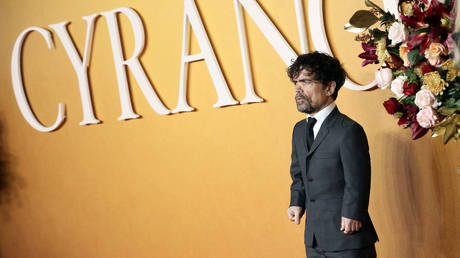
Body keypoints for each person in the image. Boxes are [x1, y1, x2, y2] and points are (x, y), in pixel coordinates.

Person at [286, 52, 378, 258]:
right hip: (314, 239)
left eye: (306, 82)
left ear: (329, 87)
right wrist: (296, 201)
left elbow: (358, 179)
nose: (297, 89)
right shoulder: (299, 130)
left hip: (348, 235)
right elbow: (299, 172)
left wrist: (353, 213)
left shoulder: (349, 130)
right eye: (295, 83)